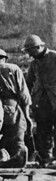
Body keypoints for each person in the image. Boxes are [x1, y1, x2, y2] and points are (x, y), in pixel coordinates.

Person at [0, 48, 31, 163]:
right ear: (4, 59)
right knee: (17, 136)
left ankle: (0, 160)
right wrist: (27, 115)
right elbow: (24, 95)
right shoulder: (14, 68)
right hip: (13, 107)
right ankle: (18, 161)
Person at [23, 34, 56, 165]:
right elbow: (28, 83)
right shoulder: (34, 64)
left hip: (55, 100)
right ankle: (47, 158)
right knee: (43, 131)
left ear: (38, 47)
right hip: (41, 103)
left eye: (31, 51)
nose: (30, 55)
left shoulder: (54, 57)